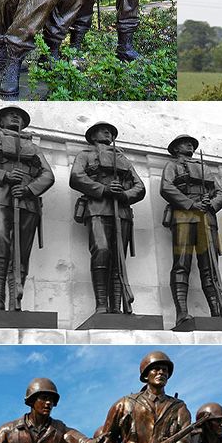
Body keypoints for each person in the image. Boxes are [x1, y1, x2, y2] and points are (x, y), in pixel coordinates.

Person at [0, 106, 54, 310]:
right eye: (10, 114)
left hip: (27, 200)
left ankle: (16, 299)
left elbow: (48, 175)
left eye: (20, 116)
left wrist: (29, 189)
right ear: (1, 120)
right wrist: (4, 176)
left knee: (21, 251)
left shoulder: (33, 148)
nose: (16, 117)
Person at [69, 122, 145, 314]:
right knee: (102, 251)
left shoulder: (123, 160)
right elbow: (76, 177)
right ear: (93, 136)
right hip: (97, 208)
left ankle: (117, 307)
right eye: (104, 130)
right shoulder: (85, 155)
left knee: (119, 258)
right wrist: (103, 189)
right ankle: (101, 305)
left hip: (122, 212)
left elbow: (140, 187)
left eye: (111, 131)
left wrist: (124, 195)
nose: (108, 133)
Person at [160, 134, 222, 325]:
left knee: (210, 266)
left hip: (207, 217)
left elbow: (220, 192)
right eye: (184, 143)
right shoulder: (172, 166)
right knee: (182, 263)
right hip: (184, 216)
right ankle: (181, 312)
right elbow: (166, 188)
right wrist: (191, 204)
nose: (190, 145)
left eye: (191, 143)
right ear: (175, 149)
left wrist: (211, 204)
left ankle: (218, 311)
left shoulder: (204, 167)